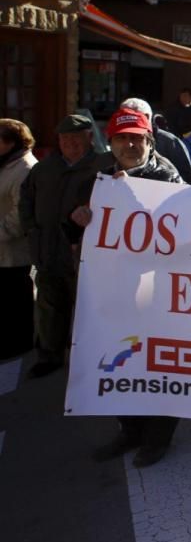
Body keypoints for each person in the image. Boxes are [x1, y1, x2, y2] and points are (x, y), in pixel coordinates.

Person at [70, 109, 182, 467]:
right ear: (111, 143)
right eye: (122, 138)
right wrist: (80, 220)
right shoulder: (100, 176)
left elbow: (182, 229)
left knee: (156, 363)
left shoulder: (167, 176)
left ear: (149, 141)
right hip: (114, 287)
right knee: (120, 359)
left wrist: (131, 193)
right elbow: (83, 230)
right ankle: (130, 429)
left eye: (137, 138)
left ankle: (158, 436)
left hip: (157, 289)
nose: (130, 144)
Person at [19, 115, 106, 377]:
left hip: (84, 254)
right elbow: (26, 200)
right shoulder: (44, 169)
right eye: (65, 140)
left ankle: (87, 359)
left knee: (86, 308)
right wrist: (31, 229)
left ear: (89, 138)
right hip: (47, 248)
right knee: (48, 306)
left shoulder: (103, 168)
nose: (71, 144)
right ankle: (49, 355)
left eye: (76, 139)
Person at [0, 119, 37, 360]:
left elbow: (20, 213)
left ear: (11, 143)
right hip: (3, 249)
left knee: (15, 298)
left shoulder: (25, 168)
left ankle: (19, 346)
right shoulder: (7, 163)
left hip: (13, 249)